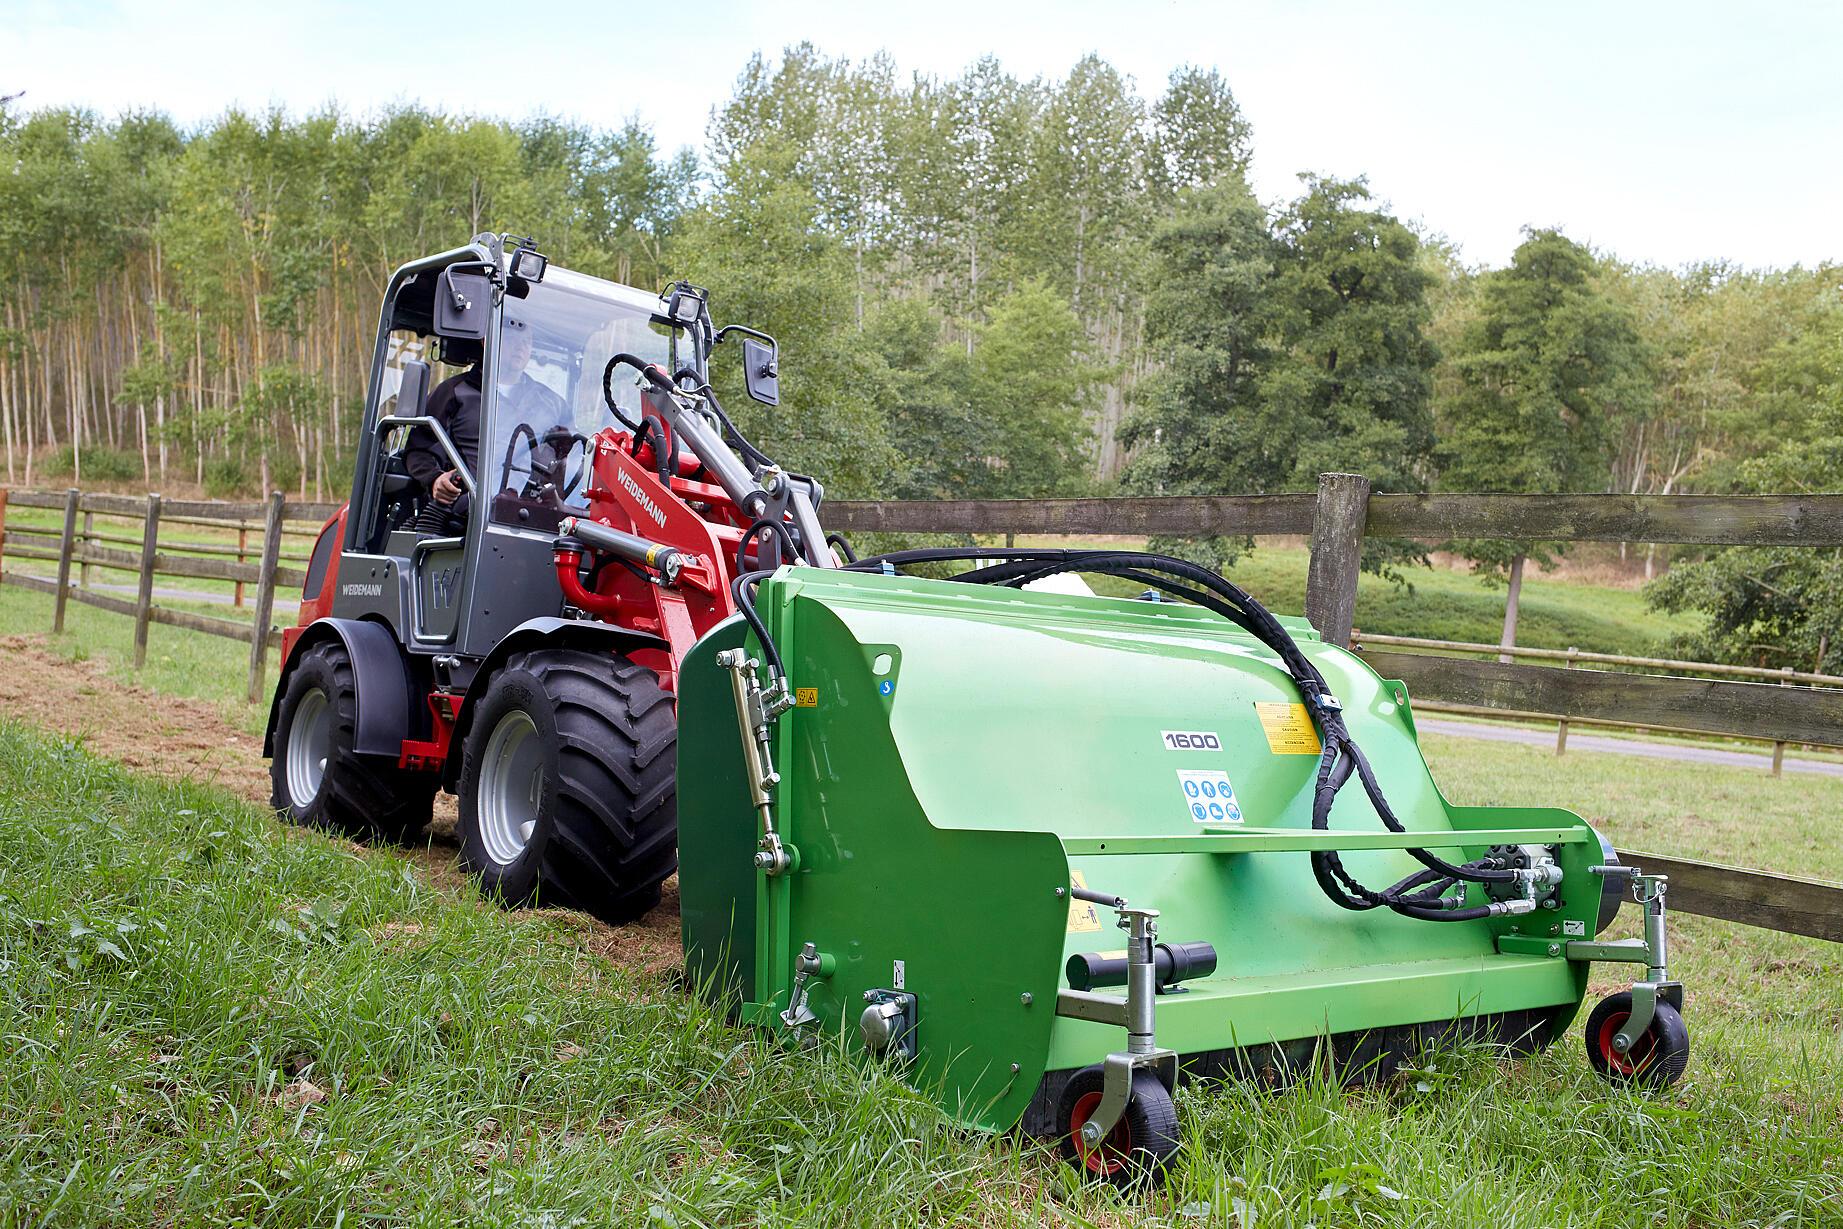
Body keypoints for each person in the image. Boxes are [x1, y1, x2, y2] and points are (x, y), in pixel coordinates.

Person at [403, 316, 568, 529]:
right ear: (486, 340)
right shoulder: (453, 393)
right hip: (467, 519)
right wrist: (435, 479)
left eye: (526, 342)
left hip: (535, 519)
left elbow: (570, 461)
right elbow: (419, 451)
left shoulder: (552, 404)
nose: (520, 347)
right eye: (512, 339)